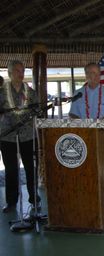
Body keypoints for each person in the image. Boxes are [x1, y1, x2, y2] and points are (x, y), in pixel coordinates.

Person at [0, 60, 41, 213]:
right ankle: (11, 201)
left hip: (28, 135)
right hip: (7, 136)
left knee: (31, 168)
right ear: (10, 73)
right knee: (11, 170)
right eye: (17, 70)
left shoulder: (30, 92)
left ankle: (34, 198)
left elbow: (37, 109)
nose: (21, 73)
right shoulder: (2, 92)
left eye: (22, 70)